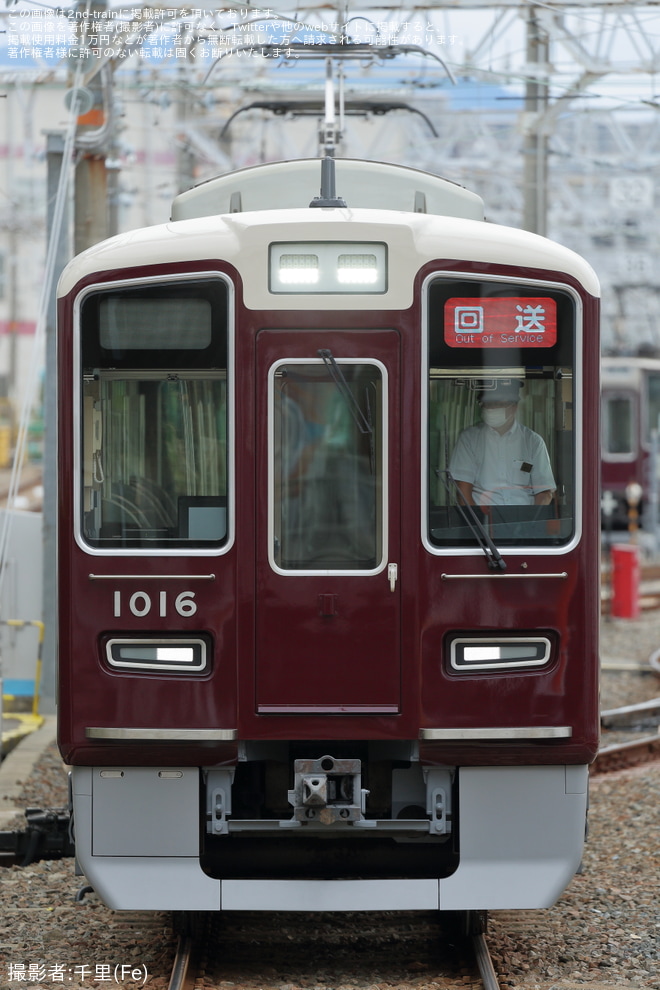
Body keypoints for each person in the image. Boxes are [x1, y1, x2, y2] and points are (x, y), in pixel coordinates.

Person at [449, 380, 556, 509]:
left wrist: (531, 522)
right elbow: (463, 491)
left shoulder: (533, 442)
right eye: (488, 404)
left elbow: (544, 492)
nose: (492, 409)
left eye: (498, 404)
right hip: (483, 520)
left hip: (524, 520)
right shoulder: (469, 439)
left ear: (514, 406)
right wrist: (476, 523)